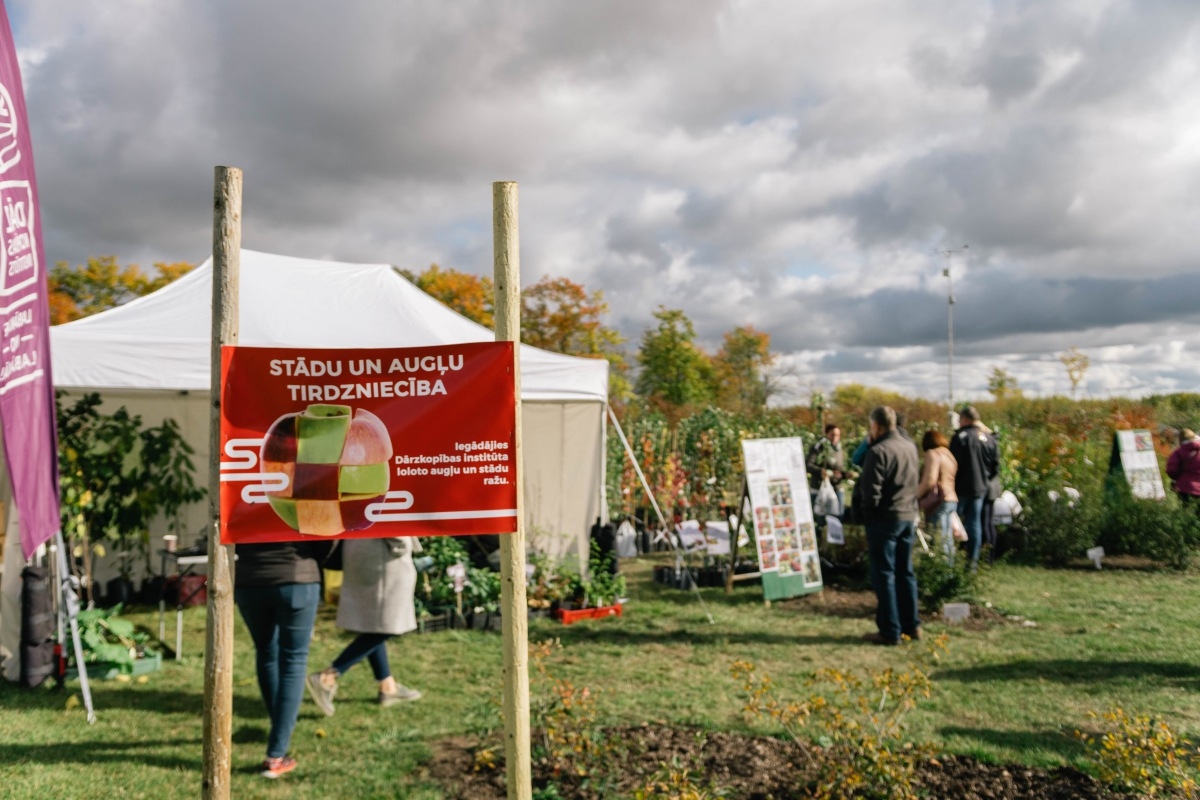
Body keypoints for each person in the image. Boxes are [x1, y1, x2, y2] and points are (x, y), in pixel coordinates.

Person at [235, 540, 328, 779]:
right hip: (297, 576)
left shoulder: (239, 498)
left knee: (266, 652)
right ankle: (276, 755)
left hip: (250, 579)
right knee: (294, 661)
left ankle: (279, 729)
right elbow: (327, 532)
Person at [307, 537, 422, 716]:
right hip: (383, 555)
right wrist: (402, 544)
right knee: (389, 623)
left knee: (375, 624)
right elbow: (390, 516)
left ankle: (388, 686)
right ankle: (328, 676)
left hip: (359, 549)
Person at [854, 406, 921, 645]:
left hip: (885, 518)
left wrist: (868, 517)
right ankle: (911, 625)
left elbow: (870, 491)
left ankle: (890, 630)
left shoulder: (878, 450)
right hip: (907, 515)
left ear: (876, 426)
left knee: (884, 575)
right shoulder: (909, 446)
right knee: (905, 573)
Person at [949, 405, 998, 566]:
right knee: (974, 523)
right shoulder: (989, 438)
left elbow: (952, 464)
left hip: (961, 488)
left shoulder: (960, 437)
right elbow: (994, 467)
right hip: (980, 488)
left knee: (954, 522)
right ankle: (973, 563)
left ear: (964, 419)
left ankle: (952, 560)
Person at [918, 429, 958, 563]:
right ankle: (951, 570)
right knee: (947, 538)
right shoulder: (949, 455)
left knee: (939, 537)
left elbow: (930, 480)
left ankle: (942, 572)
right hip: (952, 499)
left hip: (938, 500)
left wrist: (915, 496)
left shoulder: (933, 453)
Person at [807, 423, 847, 516]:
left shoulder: (839, 449)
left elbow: (839, 468)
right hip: (819, 488)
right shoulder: (819, 447)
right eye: (832, 435)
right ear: (826, 434)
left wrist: (845, 474)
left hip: (836, 487)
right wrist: (821, 471)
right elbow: (808, 465)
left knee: (838, 516)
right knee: (819, 516)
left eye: (838, 435)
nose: (835, 438)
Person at [1167, 428, 1200, 506]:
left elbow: (1172, 470)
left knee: (1186, 511)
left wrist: (1176, 477)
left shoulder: (1178, 452)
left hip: (1185, 487)